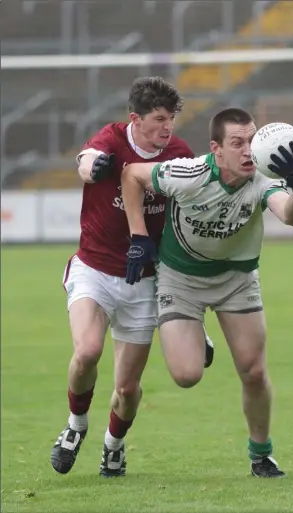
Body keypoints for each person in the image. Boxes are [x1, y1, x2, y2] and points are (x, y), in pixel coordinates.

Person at [121, 107, 293, 478]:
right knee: (186, 375)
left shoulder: (262, 179)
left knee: (254, 372)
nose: (248, 151)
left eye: (252, 140)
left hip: (236, 280)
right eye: (237, 143)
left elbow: (291, 216)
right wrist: (139, 236)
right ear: (217, 150)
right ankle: (199, 336)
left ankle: (261, 454)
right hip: (181, 280)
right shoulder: (189, 173)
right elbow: (131, 174)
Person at [50, 76, 215, 478]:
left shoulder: (177, 153)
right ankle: (75, 427)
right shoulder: (112, 140)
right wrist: (94, 166)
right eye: (159, 119)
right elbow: (86, 161)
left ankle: (114, 445)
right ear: (135, 120)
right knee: (87, 351)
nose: (167, 127)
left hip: (144, 279)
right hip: (95, 269)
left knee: (126, 388)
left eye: (172, 118)